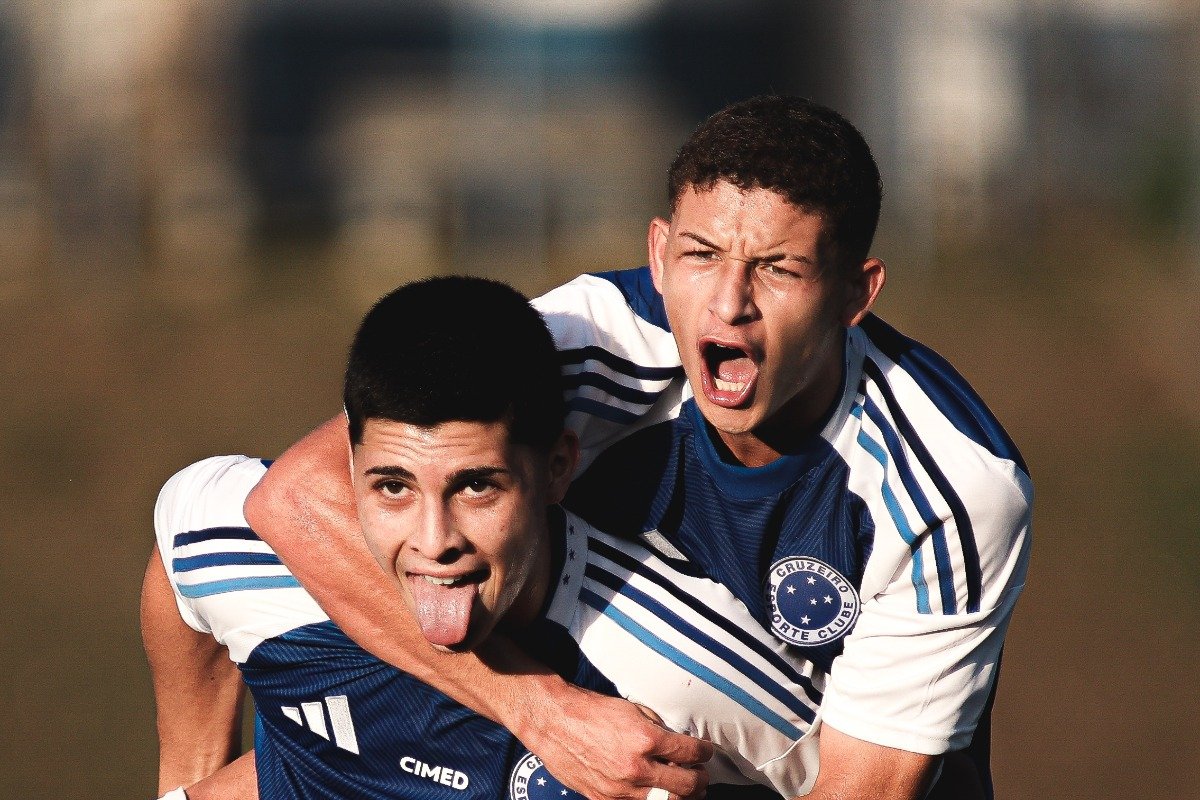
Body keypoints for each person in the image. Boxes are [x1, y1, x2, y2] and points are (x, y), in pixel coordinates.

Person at [244, 96, 1033, 800]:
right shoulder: (596, 339)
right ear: (658, 254)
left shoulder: (950, 491)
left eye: (778, 269)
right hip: (584, 735)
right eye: (701, 256)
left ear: (856, 294)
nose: (729, 303)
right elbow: (294, 497)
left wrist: (560, 725)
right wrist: (544, 713)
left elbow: (858, 791)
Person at [143, 276, 834, 800]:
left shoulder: (688, 671)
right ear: (347, 472)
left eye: (477, 487)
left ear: (557, 468)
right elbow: (183, 546)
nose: (434, 540)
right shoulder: (252, 553)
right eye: (392, 487)